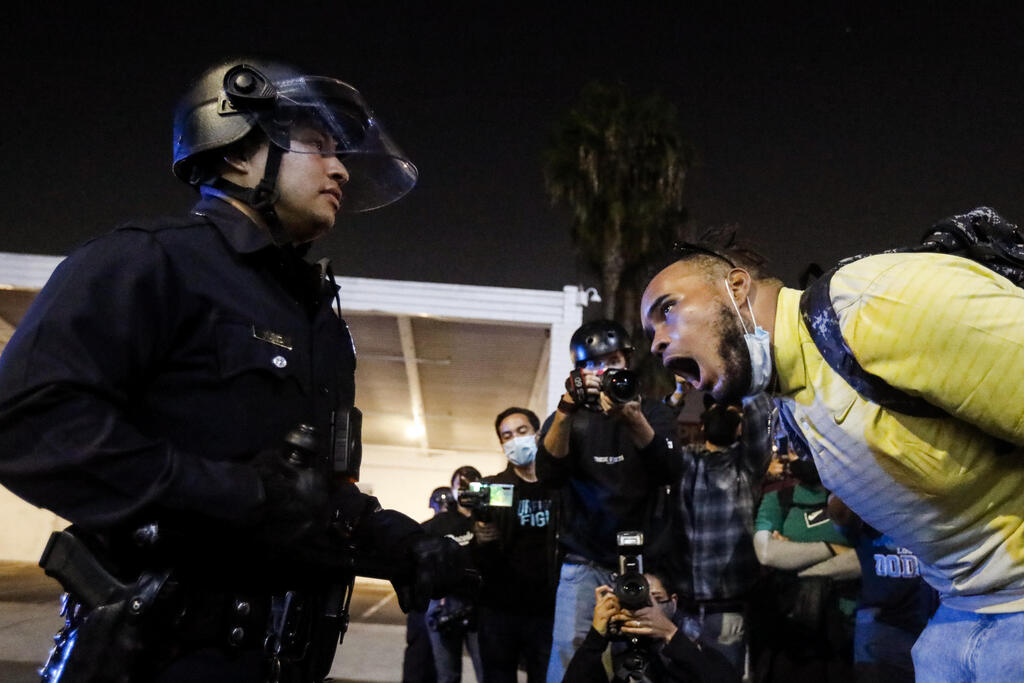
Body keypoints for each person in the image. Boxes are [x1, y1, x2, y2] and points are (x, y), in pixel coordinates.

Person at [0, 57, 461, 682]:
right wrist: (232, 492)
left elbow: (306, 496)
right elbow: (28, 424)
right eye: (318, 146)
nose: (341, 168)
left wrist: (396, 542)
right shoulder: (144, 263)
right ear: (237, 153)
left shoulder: (318, 318)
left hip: (278, 659)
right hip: (158, 657)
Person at [640, 235, 1024, 680]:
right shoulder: (790, 405)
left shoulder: (873, 301)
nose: (656, 343)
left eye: (667, 310)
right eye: (650, 333)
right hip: (958, 622)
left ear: (738, 287)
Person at [535, 319, 677, 683]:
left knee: (642, 657)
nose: (607, 371)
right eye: (596, 364)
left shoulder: (654, 413)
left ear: (627, 362)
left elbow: (669, 469)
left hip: (639, 559)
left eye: (613, 360)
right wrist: (567, 408)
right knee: (571, 651)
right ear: (580, 372)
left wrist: (632, 417)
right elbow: (549, 473)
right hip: (583, 558)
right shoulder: (567, 417)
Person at [670, 394, 773, 677]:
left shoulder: (747, 465)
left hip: (727, 610)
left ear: (740, 426)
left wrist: (742, 387)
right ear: (703, 424)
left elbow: (761, 419)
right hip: (683, 608)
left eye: (730, 409)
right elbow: (657, 432)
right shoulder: (686, 461)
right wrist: (677, 397)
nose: (720, 410)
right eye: (714, 406)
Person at [752, 445, 860, 682]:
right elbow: (766, 552)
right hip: (792, 630)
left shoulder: (853, 502)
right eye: (793, 450)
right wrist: (834, 549)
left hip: (846, 629)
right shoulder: (777, 499)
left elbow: (864, 561)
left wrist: (793, 555)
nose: (799, 456)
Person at [472, 407, 557, 683]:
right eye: (506, 436)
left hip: (548, 608)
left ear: (537, 434)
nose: (515, 440)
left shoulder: (558, 487)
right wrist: (480, 539)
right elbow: (474, 549)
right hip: (499, 608)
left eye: (522, 432)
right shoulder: (491, 488)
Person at [562, 569, 740, 683]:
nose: (649, 608)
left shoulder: (688, 643)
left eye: (657, 598)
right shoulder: (614, 648)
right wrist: (596, 636)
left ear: (673, 602)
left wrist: (670, 633)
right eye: (641, 600)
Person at [423, 466, 486, 683]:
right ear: (453, 489)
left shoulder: (486, 520)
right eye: (462, 486)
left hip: (479, 606)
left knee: (486, 671)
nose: (466, 491)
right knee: (447, 676)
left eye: (472, 485)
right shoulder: (440, 523)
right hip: (446, 603)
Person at [404, 487, 459, 683]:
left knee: (419, 660)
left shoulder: (423, 529)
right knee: (446, 667)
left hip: (423, 602)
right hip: (452, 603)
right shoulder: (463, 527)